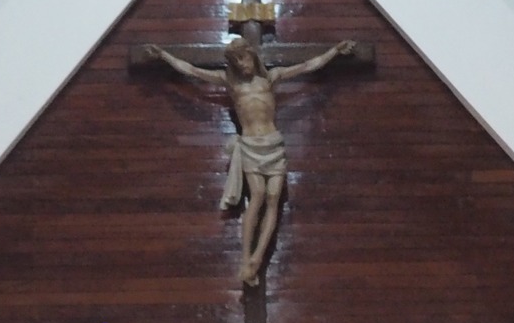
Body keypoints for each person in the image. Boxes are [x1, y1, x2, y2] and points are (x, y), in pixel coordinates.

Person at [139, 35, 358, 287]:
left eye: (244, 58)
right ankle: (245, 259)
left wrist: (334, 51)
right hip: (251, 145)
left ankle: (257, 257)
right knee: (257, 196)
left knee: (274, 197)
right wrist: (164, 56)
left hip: (273, 143)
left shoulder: (270, 77)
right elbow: (192, 71)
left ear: (253, 56)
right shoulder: (229, 82)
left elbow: (309, 65)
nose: (243, 64)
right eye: (237, 61)